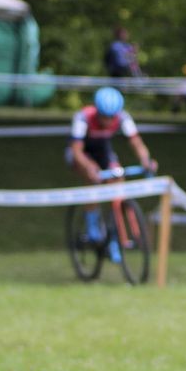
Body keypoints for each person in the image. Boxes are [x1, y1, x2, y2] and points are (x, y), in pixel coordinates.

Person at [65, 86, 158, 261]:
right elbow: (76, 151)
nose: (108, 121)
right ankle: (92, 228)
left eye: (111, 117)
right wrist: (88, 167)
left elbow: (136, 142)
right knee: (91, 178)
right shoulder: (83, 117)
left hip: (103, 151)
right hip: (82, 153)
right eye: (104, 117)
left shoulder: (122, 117)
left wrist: (146, 160)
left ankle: (115, 232)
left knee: (118, 180)